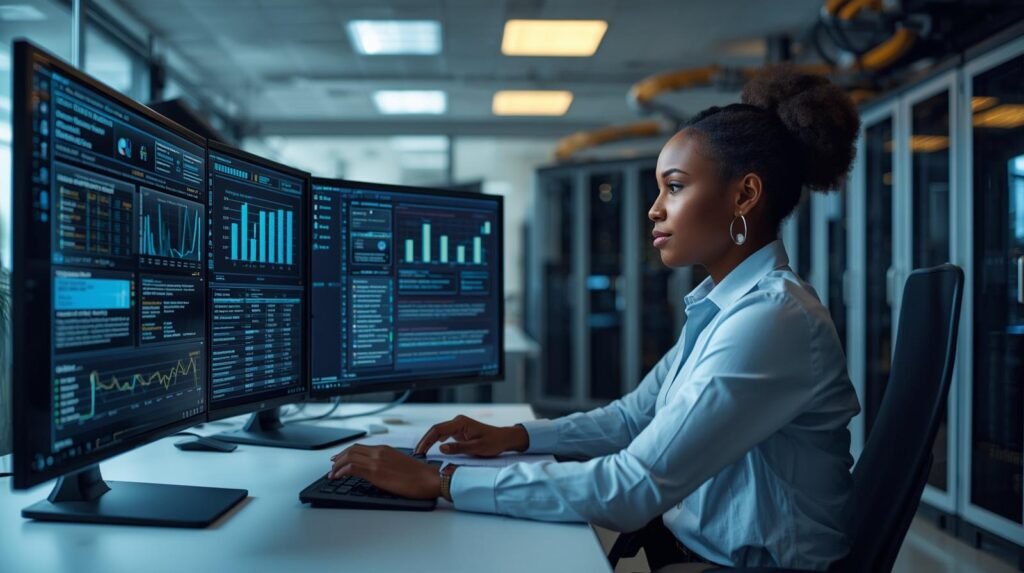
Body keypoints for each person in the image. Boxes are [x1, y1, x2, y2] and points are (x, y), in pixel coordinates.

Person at [327, 65, 862, 570]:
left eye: (674, 187)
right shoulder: (728, 307)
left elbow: (632, 489)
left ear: (744, 194)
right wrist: (513, 436)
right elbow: (632, 419)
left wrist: (441, 482)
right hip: (692, 551)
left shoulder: (771, 320)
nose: (654, 208)